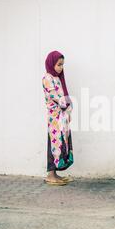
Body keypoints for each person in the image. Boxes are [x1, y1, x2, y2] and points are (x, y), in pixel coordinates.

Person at [42, 51, 74, 185]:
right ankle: (50, 175)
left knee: (61, 143)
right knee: (54, 143)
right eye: (59, 64)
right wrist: (66, 104)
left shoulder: (57, 78)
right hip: (54, 118)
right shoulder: (47, 78)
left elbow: (63, 97)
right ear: (51, 63)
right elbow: (54, 96)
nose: (61, 67)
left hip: (62, 117)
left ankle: (55, 174)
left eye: (62, 65)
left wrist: (68, 107)